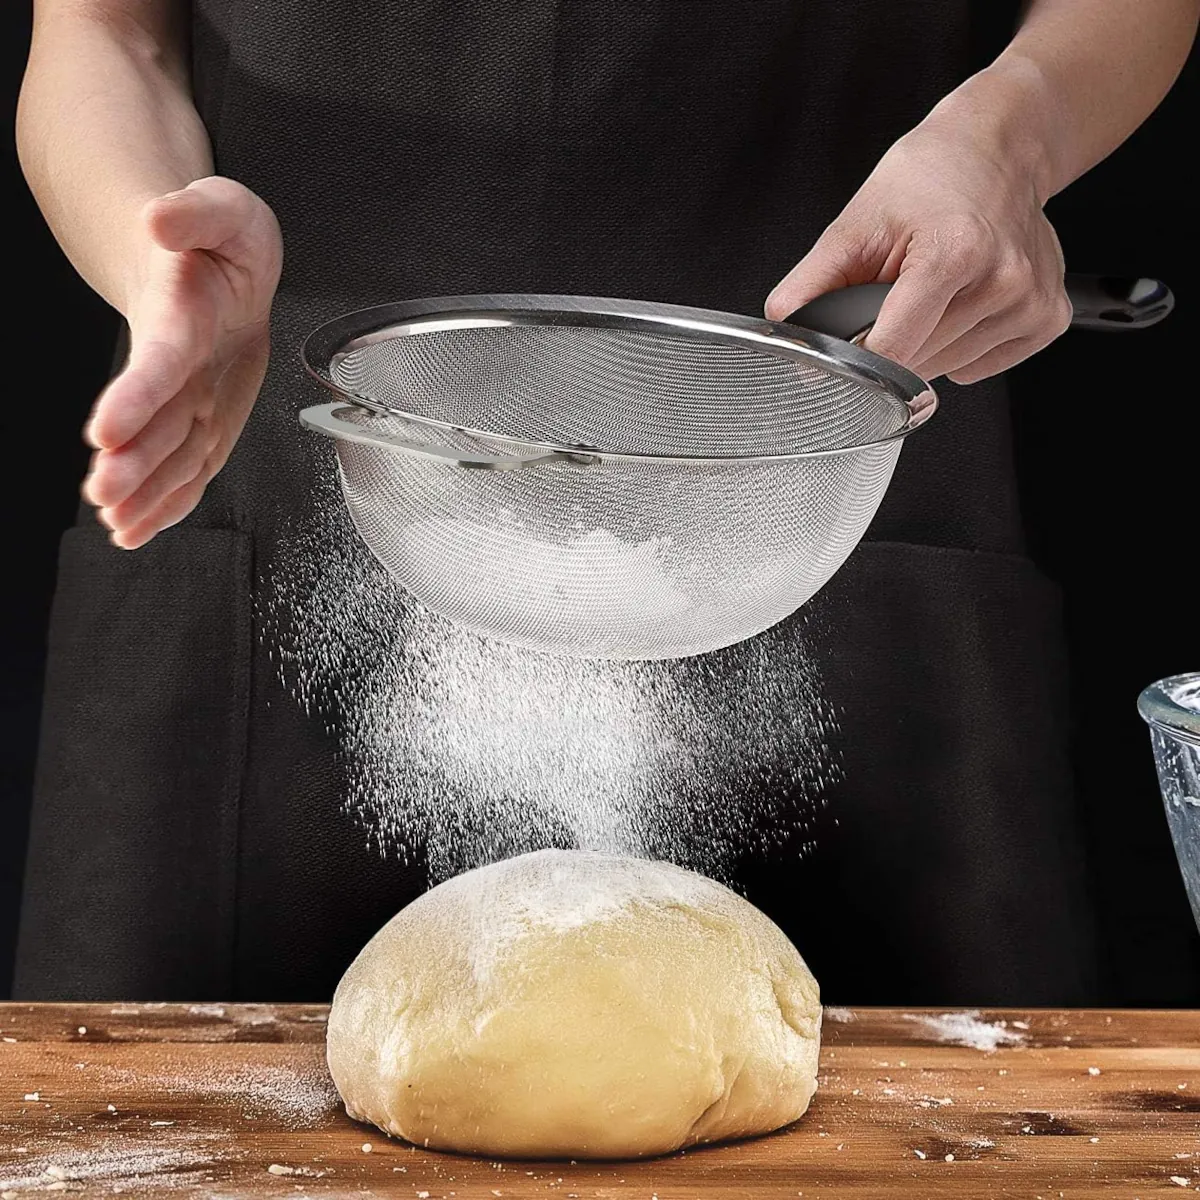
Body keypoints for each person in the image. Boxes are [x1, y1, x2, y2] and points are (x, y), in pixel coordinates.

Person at [14, 0, 1198, 1004]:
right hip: (300, 464)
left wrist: (1009, 138)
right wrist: (152, 250)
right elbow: (107, 35)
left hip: (820, 474)